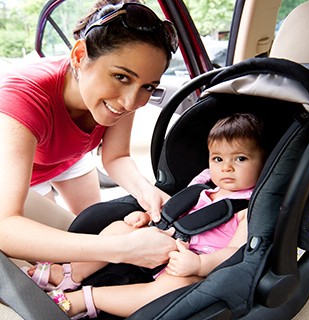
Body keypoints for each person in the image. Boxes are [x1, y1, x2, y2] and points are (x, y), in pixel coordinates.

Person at [0, 1, 179, 272]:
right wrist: (124, 250)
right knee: (51, 256)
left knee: (90, 227)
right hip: (19, 174)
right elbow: (7, 226)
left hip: (69, 158)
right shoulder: (23, 99)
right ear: (80, 56)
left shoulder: (122, 96)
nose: (131, 102)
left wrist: (147, 192)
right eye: (121, 77)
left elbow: (116, 156)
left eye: (148, 86)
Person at [36, 113, 267, 319]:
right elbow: (175, 211)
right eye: (218, 159)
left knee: (172, 289)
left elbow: (234, 254)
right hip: (160, 240)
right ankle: (70, 273)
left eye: (240, 159)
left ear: (264, 163)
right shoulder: (203, 186)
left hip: (190, 264)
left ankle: (87, 299)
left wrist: (199, 264)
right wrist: (146, 218)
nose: (226, 167)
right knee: (119, 228)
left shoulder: (250, 208)